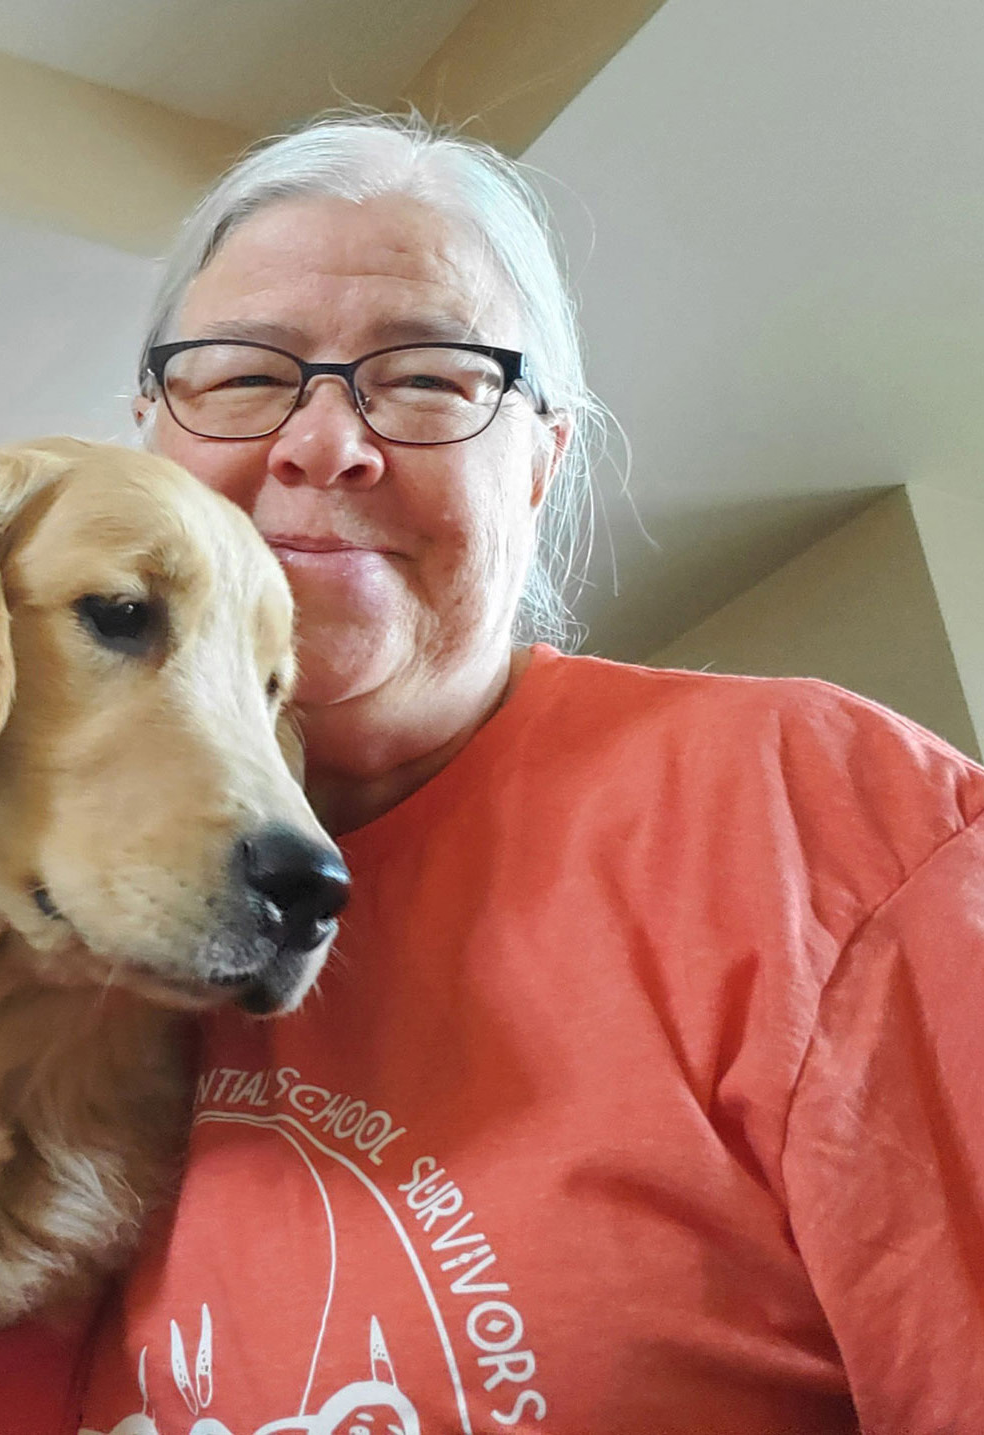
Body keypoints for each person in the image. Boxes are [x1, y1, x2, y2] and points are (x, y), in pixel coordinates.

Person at [74, 113, 984, 1433]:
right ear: (149, 442)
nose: (325, 441)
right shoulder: (51, 912)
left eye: (432, 379)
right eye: (241, 373)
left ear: (543, 464)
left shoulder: (824, 823)